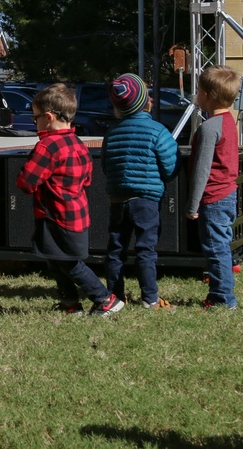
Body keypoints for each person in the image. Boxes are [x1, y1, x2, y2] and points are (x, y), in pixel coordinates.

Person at [16, 83, 124, 317]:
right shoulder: (79, 144)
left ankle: (105, 299)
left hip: (55, 216)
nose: (35, 124)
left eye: (35, 119)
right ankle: (70, 303)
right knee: (54, 259)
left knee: (67, 263)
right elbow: (86, 181)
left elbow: (26, 182)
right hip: (77, 215)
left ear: (48, 117)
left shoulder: (47, 146)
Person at [101, 73, 180, 310]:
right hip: (146, 200)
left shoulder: (111, 133)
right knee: (146, 249)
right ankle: (150, 298)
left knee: (116, 249)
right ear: (147, 101)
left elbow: (106, 166)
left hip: (118, 199)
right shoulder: (157, 131)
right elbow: (171, 165)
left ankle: (115, 296)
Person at [186, 65, 241, 310]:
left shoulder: (209, 128)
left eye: (197, 90)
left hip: (214, 197)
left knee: (216, 249)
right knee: (221, 246)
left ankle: (222, 299)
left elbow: (201, 170)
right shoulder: (229, 121)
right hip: (228, 193)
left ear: (206, 95)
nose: (195, 94)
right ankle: (220, 293)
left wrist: (192, 204)